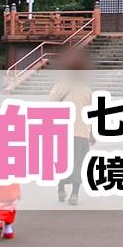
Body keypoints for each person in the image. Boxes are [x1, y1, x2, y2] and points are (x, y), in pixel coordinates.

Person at [48, 51, 93, 206]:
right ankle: (74, 194)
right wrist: (92, 134)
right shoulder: (87, 91)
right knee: (78, 163)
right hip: (81, 132)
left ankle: (61, 188)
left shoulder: (59, 88)